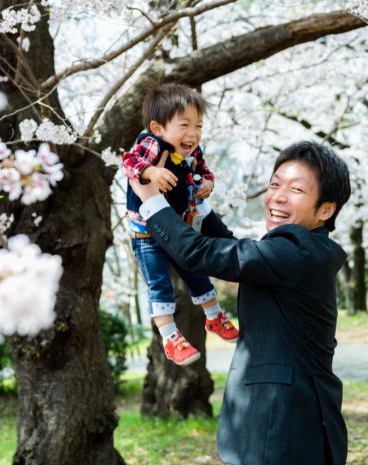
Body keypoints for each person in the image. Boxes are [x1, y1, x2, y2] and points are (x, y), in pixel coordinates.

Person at [130, 141, 352, 465]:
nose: (277, 196)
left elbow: (202, 254)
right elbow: (234, 251)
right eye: (275, 184)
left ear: (325, 210)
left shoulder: (297, 251)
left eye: (296, 190)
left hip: (285, 427)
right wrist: (198, 206)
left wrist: (150, 203)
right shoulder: (300, 250)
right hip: (285, 423)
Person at [122, 83, 239, 366]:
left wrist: (208, 182)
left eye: (198, 126)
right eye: (184, 125)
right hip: (147, 235)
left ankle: (214, 317)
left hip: (177, 229)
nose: (193, 134)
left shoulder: (191, 152)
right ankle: (170, 337)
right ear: (158, 128)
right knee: (160, 285)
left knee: (196, 271)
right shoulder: (151, 144)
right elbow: (128, 162)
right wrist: (151, 171)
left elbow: (203, 168)